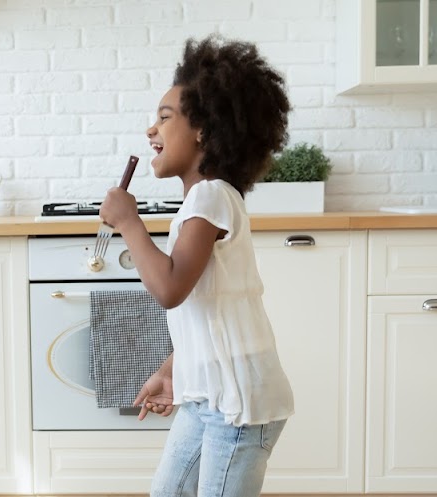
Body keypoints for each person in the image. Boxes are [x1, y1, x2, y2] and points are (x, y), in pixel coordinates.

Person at [99, 35, 295, 497]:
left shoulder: (210, 197)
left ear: (204, 129)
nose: (152, 130)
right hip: (207, 397)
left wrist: (129, 222)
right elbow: (205, 309)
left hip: (240, 407)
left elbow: (169, 289)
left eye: (165, 118)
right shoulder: (201, 202)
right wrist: (173, 369)